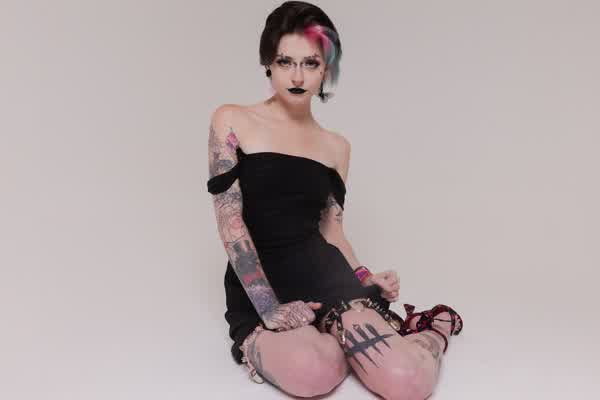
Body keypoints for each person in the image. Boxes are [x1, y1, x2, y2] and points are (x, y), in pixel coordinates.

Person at [206, 2, 463, 399]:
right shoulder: (232, 119)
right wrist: (269, 307)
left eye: (310, 63)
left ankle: (435, 329)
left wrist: (363, 277)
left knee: (409, 382)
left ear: (326, 69)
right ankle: (335, 340)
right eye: (285, 61)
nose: (297, 76)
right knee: (315, 374)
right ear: (268, 64)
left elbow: (331, 229)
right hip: (259, 284)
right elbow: (230, 221)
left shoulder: (336, 147)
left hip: (325, 277)